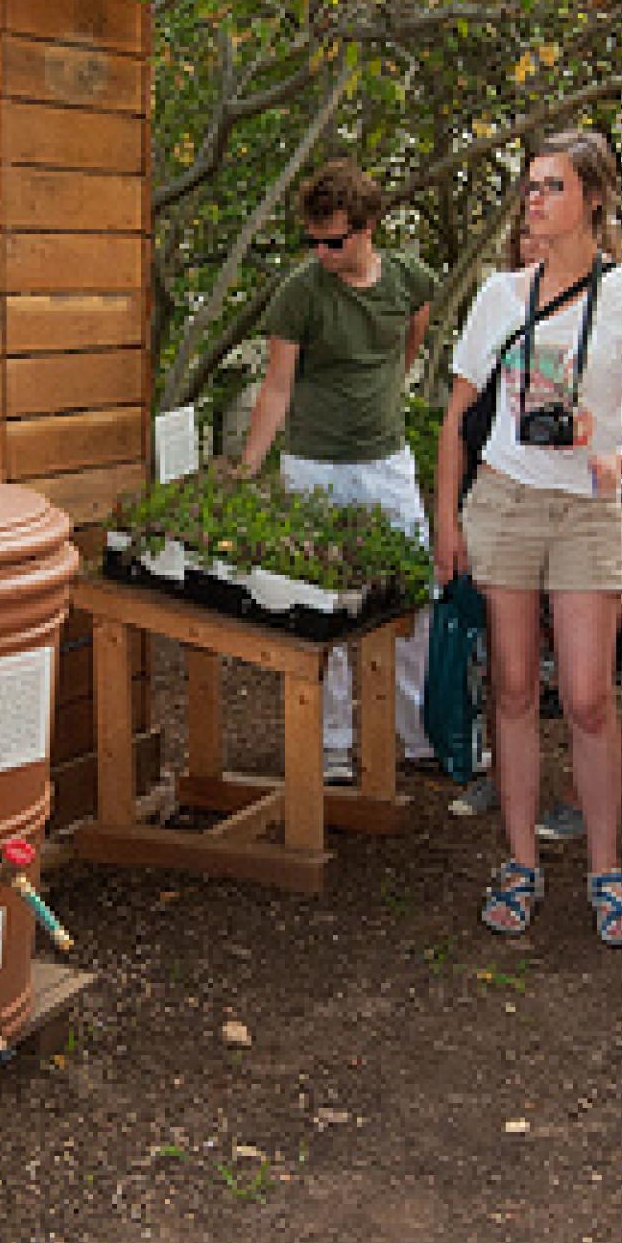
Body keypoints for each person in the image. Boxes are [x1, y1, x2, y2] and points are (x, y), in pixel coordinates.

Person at [432, 129, 622, 946]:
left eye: (551, 186)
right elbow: (459, 415)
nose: (533, 199)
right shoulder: (501, 295)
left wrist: (616, 454)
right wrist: (445, 523)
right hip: (504, 499)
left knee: (589, 695)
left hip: (585, 508)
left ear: (594, 198)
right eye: (529, 185)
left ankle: (607, 870)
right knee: (509, 688)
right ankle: (521, 862)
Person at [234, 160, 438, 785]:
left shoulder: (407, 279)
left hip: (385, 460)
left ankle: (415, 732)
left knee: (411, 595)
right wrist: (249, 468)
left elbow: (410, 340)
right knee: (318, 603)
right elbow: (276, 387)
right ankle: (332, 744)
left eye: (335, 240)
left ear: (368, 227)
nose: (321, 252)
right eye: (313, 241)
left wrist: (386, 397)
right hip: (314, 465)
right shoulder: (302, 291)